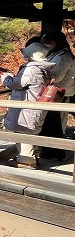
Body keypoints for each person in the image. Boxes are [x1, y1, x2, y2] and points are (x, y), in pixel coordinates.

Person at [0, 40, 54, 168]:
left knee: (23, 132)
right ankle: (32, 158)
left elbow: (15, 84)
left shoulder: (31, 70)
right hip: (34, 106)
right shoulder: (43, 69)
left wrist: (6, 78)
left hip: (26, 107)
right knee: (28, 132)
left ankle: (26, 162)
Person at [38, 31, 75, 160]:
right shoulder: (56, 54)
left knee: (53, 123)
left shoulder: (64, 56)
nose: (45, 45)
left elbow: (57, 76)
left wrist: (39, 71)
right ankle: (49, 151)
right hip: (55, 91)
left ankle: (55, 152)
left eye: (48, 42)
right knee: (51, 122)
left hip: (59, 92)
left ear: (56, 42)